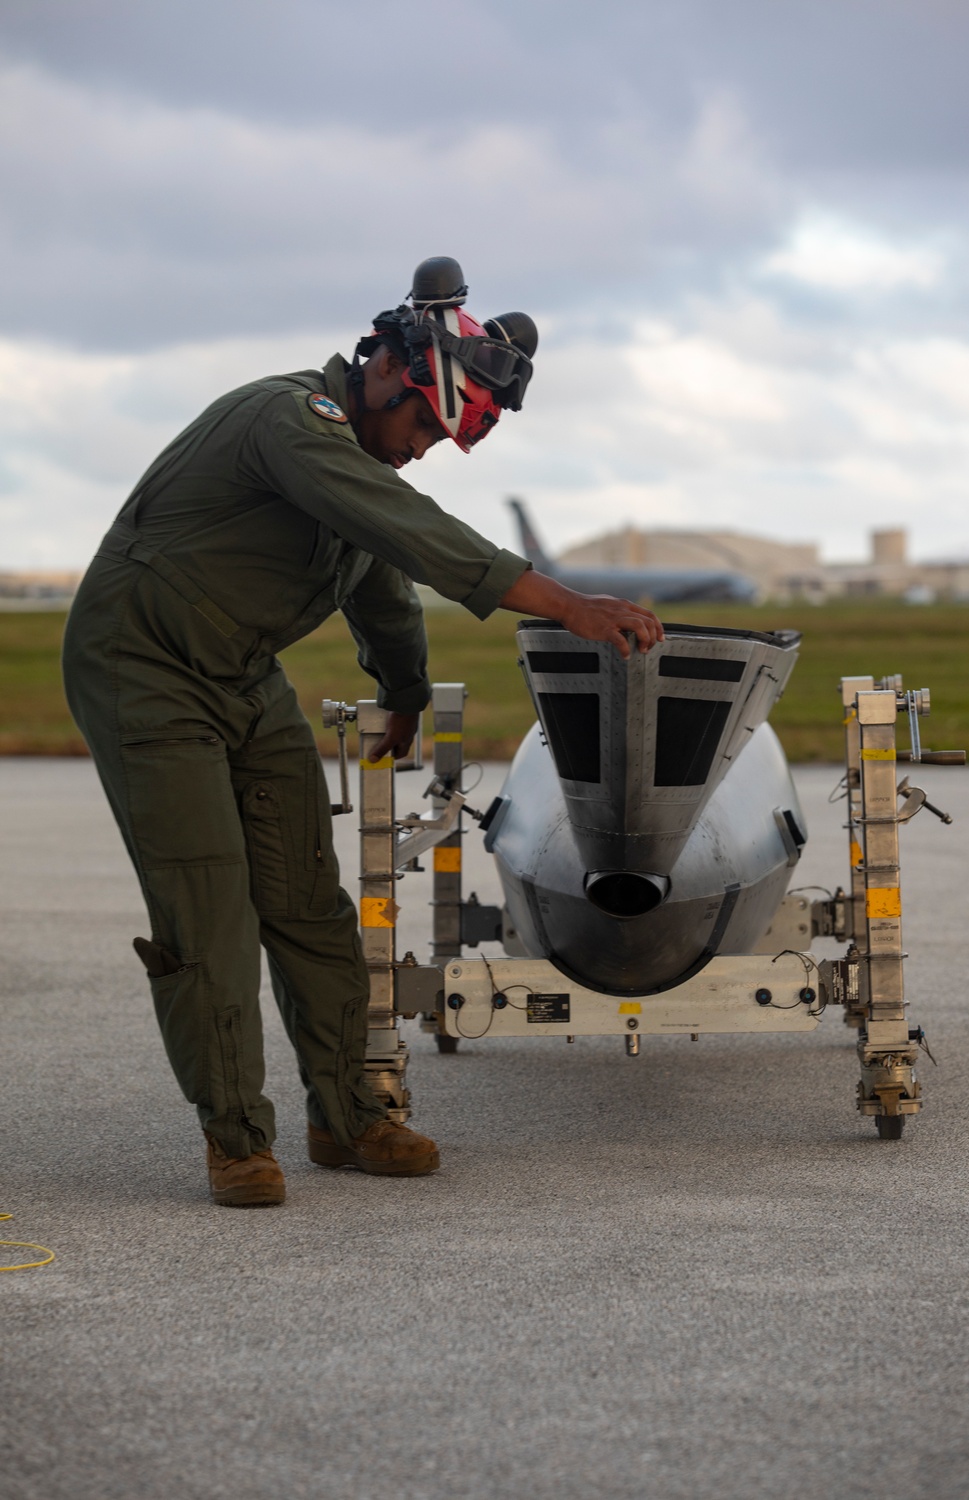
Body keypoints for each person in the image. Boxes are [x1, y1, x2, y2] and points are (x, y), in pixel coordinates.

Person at [62, 257, 664, 1208]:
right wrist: (560, 602)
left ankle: (351, 1115)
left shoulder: (358, 466)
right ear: (385, 368)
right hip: (143, 669)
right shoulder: (290, 422)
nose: (423, 446)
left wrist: (407, 693)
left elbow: (385, 585)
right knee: (211, 911)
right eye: (423, 422)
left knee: (308, 904)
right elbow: (409, 530)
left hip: (241, 675)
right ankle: (236, 1140)